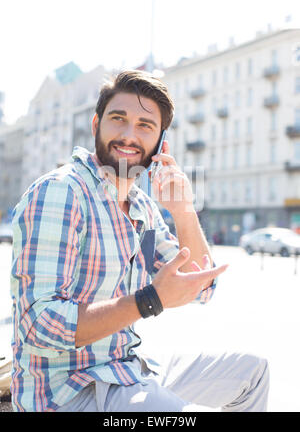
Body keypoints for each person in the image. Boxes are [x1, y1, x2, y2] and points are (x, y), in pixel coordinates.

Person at [10, 70, 269, 412]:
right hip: (68, 392)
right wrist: (148, 300)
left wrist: (184, 211)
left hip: (126, 369)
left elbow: (202, 286)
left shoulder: (142, 207)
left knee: (253, 372)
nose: (129, 135)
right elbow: (39, 325)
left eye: (145, 125)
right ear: (95, 125)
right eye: (118, 119)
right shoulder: (62, 192)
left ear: (161, 142)